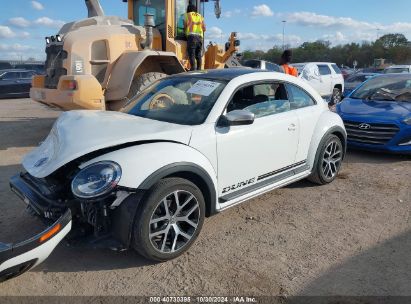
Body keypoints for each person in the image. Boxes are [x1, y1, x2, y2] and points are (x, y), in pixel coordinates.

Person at [184, 4, 206, 71]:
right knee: (198, 55)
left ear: (189, 9)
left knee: (192, 54)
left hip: (191, 37)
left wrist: (185, 32)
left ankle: (193, 68)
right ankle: (199, 69)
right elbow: (204, 28)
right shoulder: (200, 16)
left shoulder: (187, 15)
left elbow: (185, 26)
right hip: (199, 38)